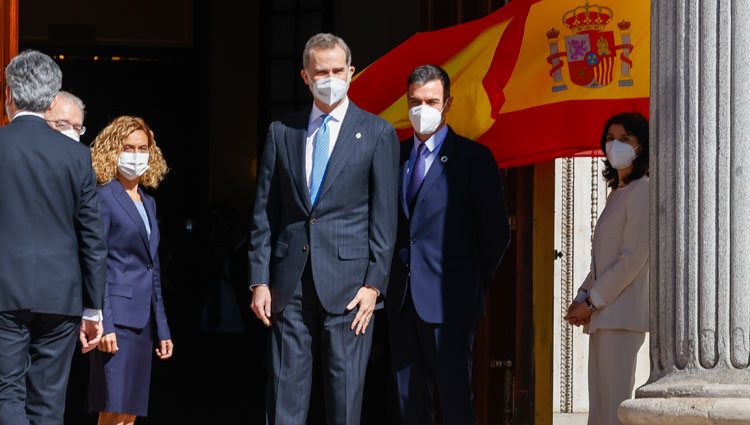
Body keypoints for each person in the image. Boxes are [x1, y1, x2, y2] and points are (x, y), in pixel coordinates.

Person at [248, 32, 400, 425]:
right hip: (289, 285)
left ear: (351, 72)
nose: (329, 77)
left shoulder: (378, 133)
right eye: (321, 71)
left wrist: (374, 284)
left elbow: (384, 218)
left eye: (337, 70)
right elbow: (266, 213)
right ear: (305, 76)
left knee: (345, 402)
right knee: (284, 400)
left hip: (351, 290)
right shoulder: (283, 131)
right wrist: (259, 280)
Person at [385, 64, 511, 425]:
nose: (421, 108)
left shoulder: (473, 158)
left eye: (431, 101)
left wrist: (470, 281)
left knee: (455, 401)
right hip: (402, 300)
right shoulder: (393, 155)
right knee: (409, 404)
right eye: (414, 101)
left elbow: (495, 233)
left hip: (450, 302)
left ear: (448, 103)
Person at [0, 50, 107, 424]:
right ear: (51, 101)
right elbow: (93, 237)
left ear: (8, 95)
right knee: (48, 402)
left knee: (6, 394)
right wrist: (94, 308)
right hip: (61, 294)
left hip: (3, 292)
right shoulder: (76, 156)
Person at [564, 112, 650, 425]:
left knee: (615, 407)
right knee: (600, 409)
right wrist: (582, 296)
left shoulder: (642, 190)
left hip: (622, 315)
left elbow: (631, 259)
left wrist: (591, 301)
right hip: (603, 314)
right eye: (611, 138)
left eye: (625, 139)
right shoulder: (617, 193)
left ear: (641, 147)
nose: (615, 145)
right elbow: (601, 260)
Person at [87, 116, 174, 425]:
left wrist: (162, 327)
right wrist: (104, 323)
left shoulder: (148, 203)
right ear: (113, 150)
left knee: (129, 413)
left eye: (142, 148)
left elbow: (153, 267)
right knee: (111, 409)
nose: (136, 155)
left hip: (142, 323)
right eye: (127, 147)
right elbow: (97, 263)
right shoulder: (104, 197)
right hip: (117, 320)